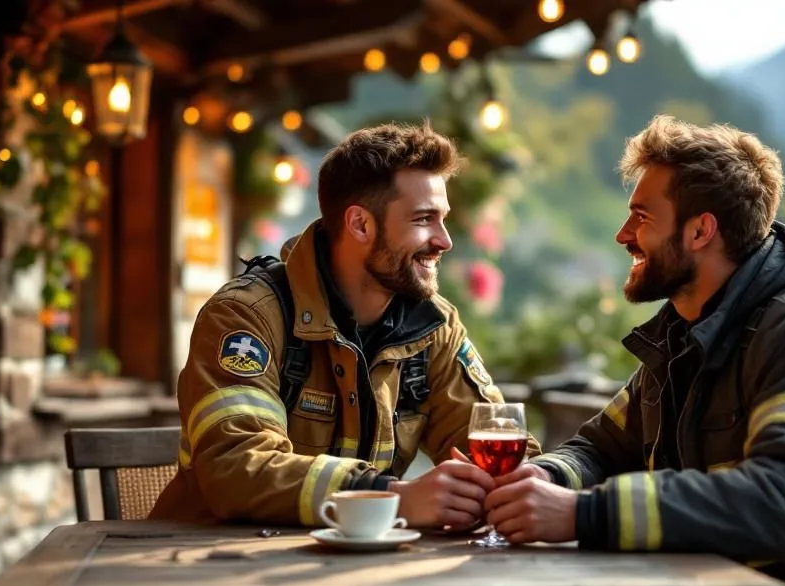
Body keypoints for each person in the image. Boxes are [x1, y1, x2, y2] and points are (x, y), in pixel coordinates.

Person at [483, 115, 785, 586]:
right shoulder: (688, 332)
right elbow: (602, 447)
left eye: (642, 217)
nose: (623, 235)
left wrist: (584, 515)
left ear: (700, 230)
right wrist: (549, 477)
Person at [148, 121, 539, 533]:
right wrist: (394, 498)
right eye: (424, 219)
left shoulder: (434, 327)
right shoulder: (246, 317)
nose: (444, 240)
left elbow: (499, 445)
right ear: (360, 225)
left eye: (442, 219)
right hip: (212, 570)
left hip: (355, 569)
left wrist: (505, 488)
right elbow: (235, 467)